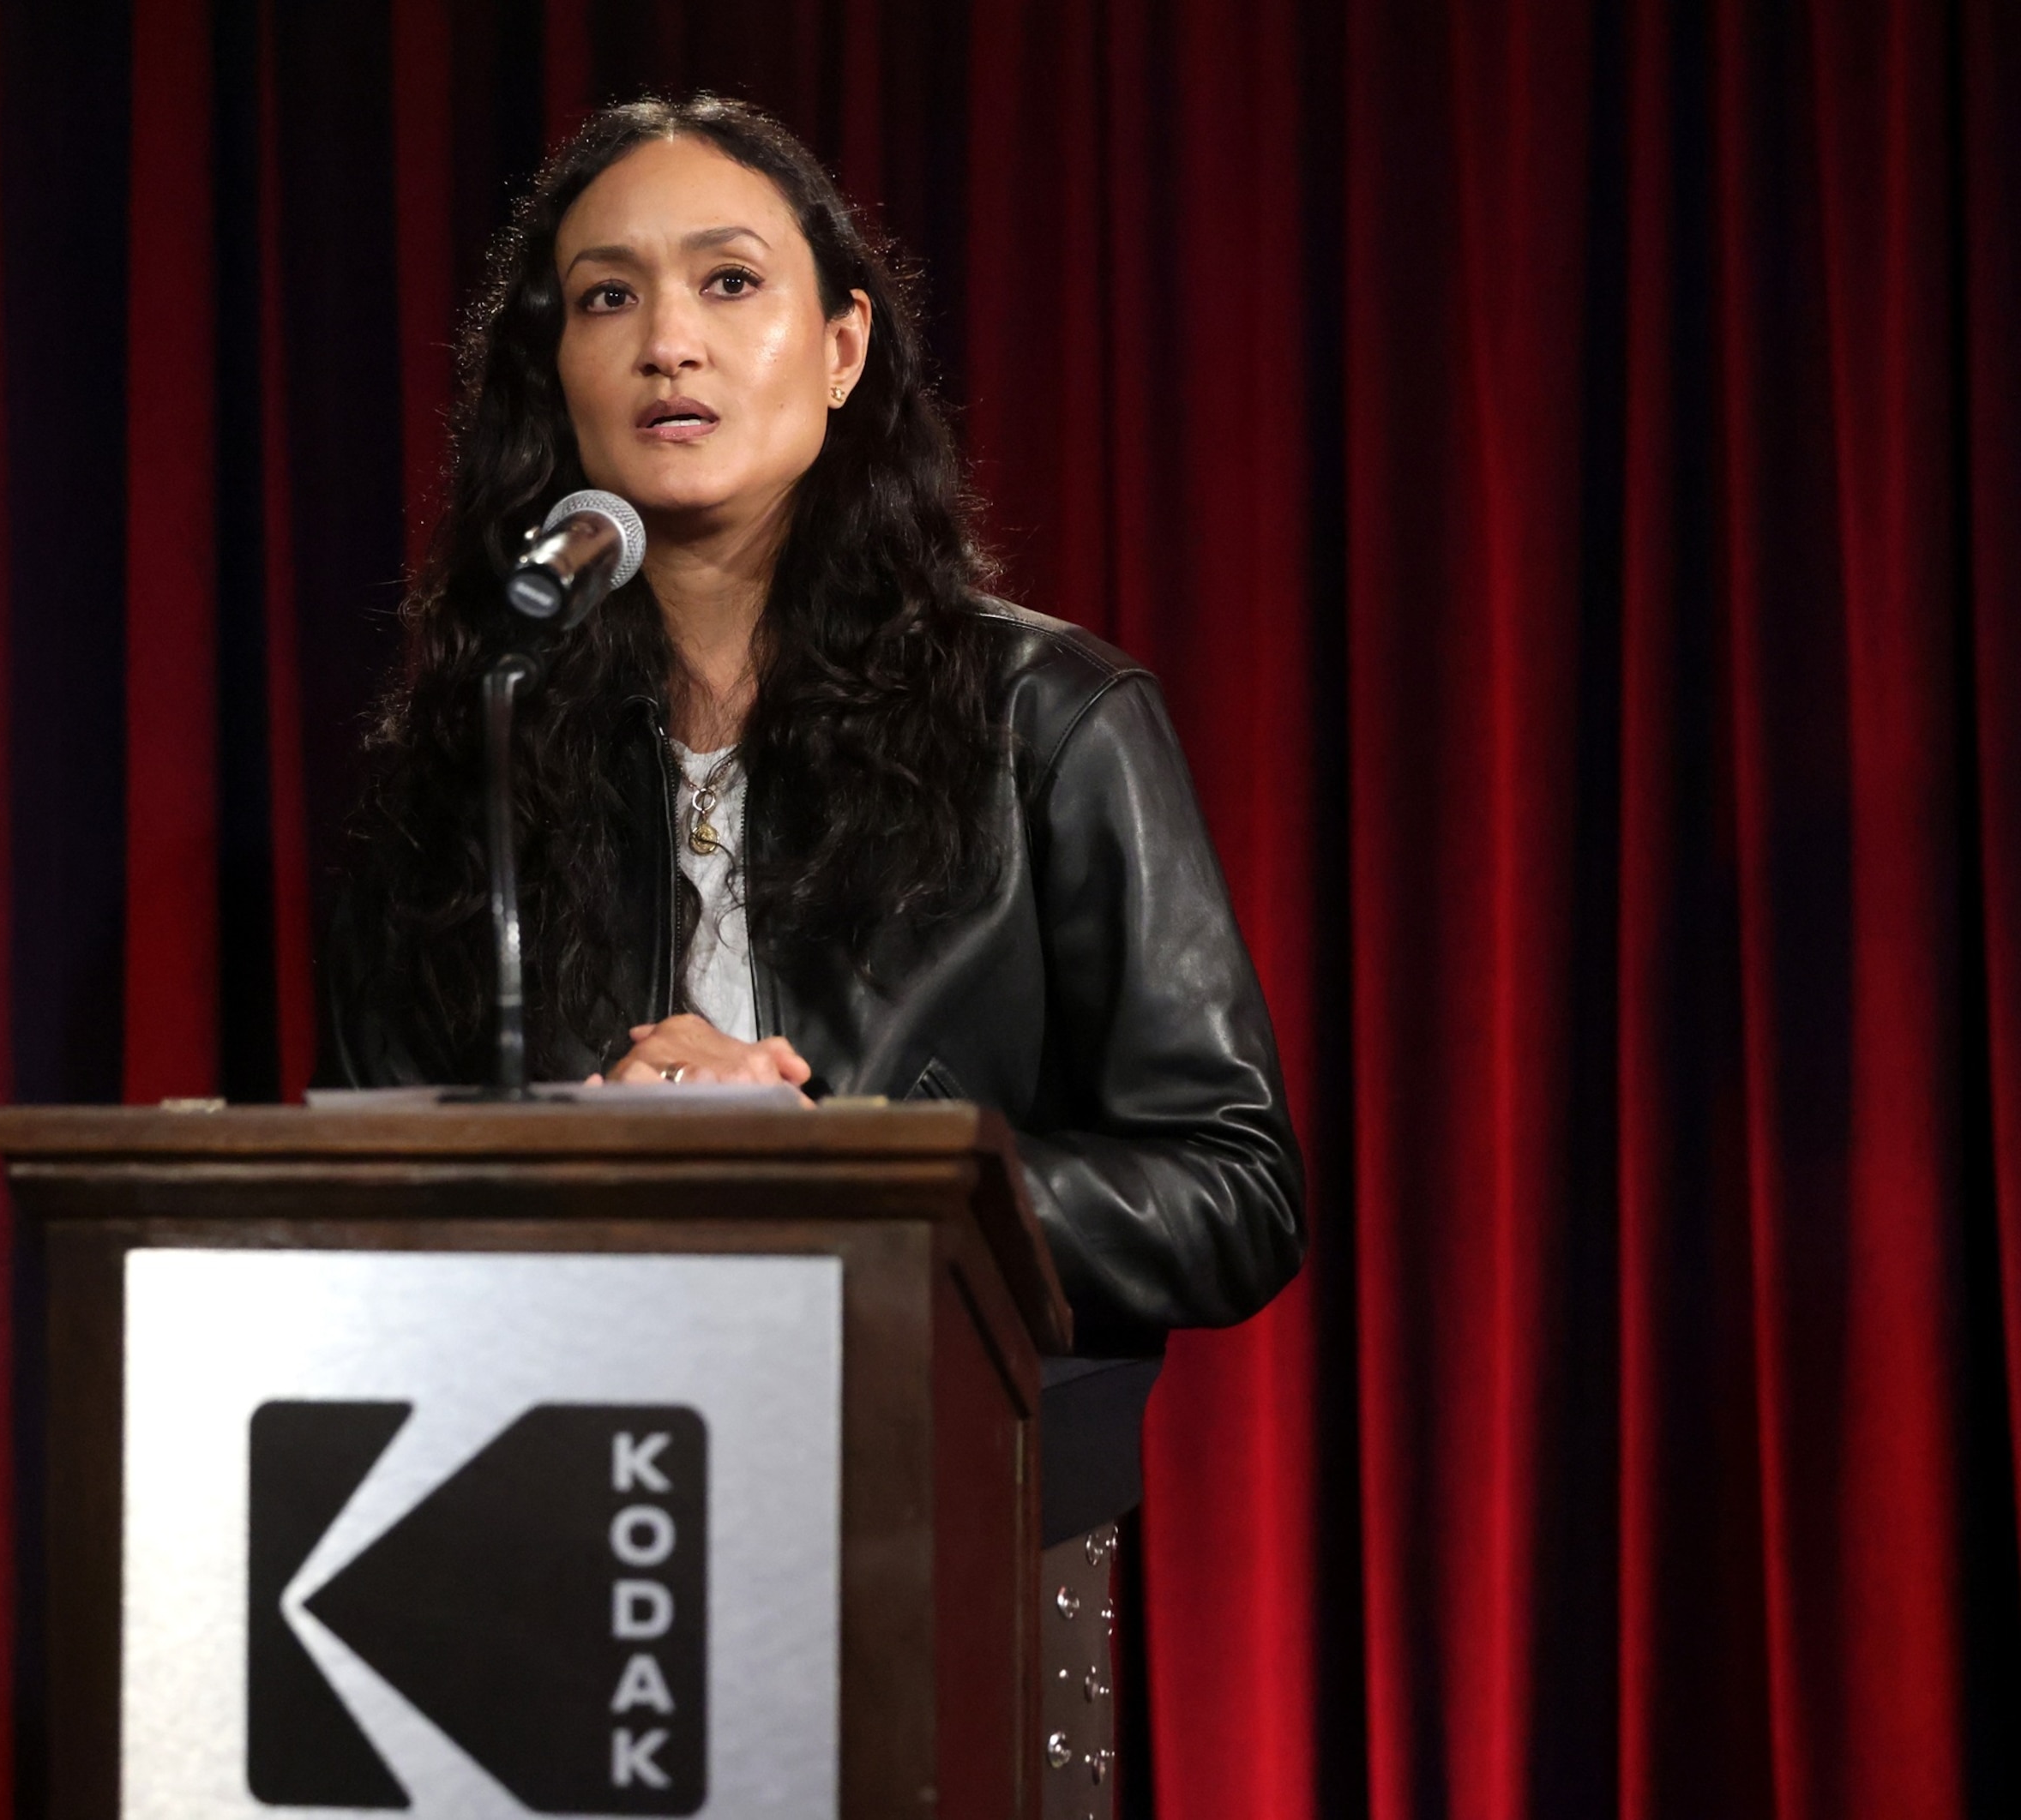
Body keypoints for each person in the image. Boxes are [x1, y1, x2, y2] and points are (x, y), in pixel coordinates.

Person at [322, 91, 1304, 1788]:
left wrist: (840, 1163)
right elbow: (367, 1202)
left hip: (955, 1533)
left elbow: (1230, 1189)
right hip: (560, 1542)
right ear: (550, 369)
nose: (667, 345)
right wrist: (589, 1143)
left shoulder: (1047, 721)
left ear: (844, 348)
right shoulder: (461, 753)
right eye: (607, 297)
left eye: (729, 283)